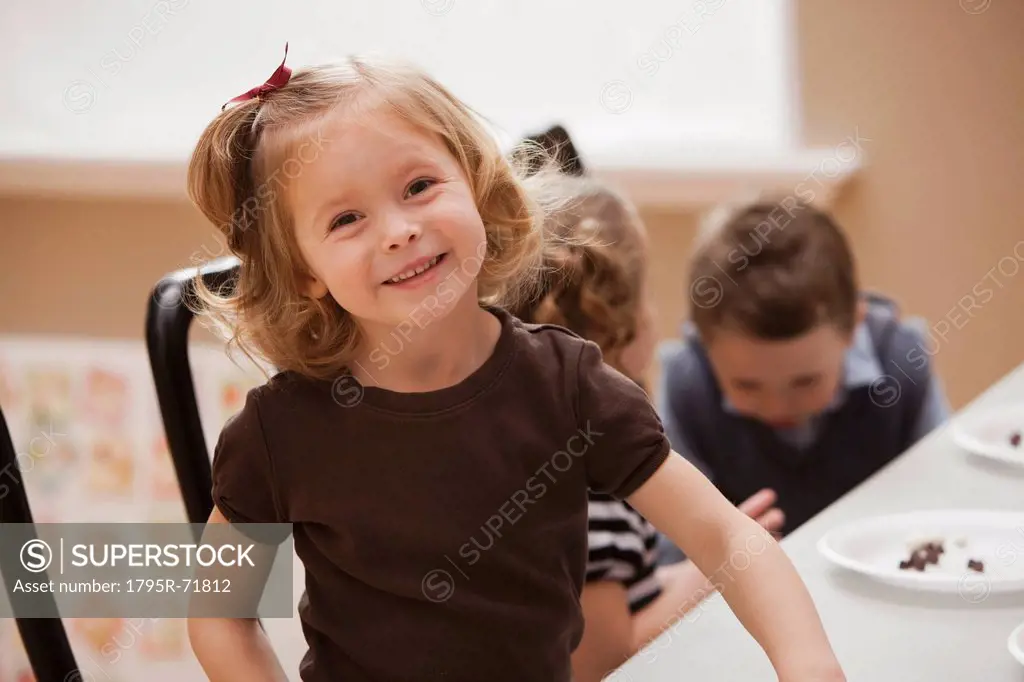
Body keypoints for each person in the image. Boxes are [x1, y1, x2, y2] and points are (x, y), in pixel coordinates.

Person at [184, 46, 845, 682]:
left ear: (477, 185)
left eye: (418, 186)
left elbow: (727, 537)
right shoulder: (282, 433)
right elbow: (219, 617)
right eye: (348, 219)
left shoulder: (569, 387)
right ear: (305, 274)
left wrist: (809, 666)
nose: (398, 229)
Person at [510, 175, 785, 682]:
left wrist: (714, 552)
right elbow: (604, 658)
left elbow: (631, 590)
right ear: (627, 329)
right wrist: (713, 573)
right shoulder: (591, 490)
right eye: (647, 299)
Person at [657, 196, 950, 563]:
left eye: (806, 382)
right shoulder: (688, 384)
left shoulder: (902, 362)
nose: (778, 406)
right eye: (747, 385)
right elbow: (671, 554)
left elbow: (945, 500)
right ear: (704, 342)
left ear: (853, 327)